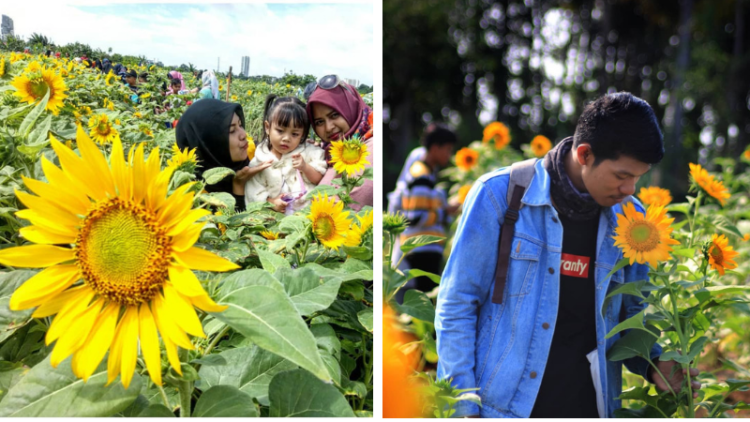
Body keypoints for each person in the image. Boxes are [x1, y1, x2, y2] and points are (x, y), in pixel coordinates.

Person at [435, 92, 701, 418]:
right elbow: (457, 306)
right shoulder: (500, 195)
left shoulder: (633, 220)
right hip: (505, 409)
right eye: (622, 175)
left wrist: (654, 363)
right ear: (585, 154)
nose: (630, 189)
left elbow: (628, 321)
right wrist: (462, 409)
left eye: (638, 177)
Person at [388, 123, 458, 300]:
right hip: (421, 250)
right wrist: (445, 212)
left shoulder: (426, 173)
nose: (449, 156)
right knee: (425, 306)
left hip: (424, 249)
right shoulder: (421, 176)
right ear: (435, 148)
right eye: (448, 150)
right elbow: (415, 217)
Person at [175, 99, 266, 212]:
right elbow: (234, 227)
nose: (243, 134)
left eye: (240, 125)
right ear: (209, 143)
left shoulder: (257, 157)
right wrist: (238, 186)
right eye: (232, 130)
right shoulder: (194, 197)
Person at [245, 95, 326, 213]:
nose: (286, 138)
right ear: (267, 127)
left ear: (303, 134)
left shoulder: (310, 153)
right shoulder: (259, 161)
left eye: (295, 134)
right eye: (280, 131)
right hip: (273, 223)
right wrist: (271, 202)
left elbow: (320, 179)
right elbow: (253, 193)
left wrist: (305, 167)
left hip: (306, 219)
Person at [306, 75, 373, 211]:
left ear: (350, 108)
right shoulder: (332, 151)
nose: (329, 127)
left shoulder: (369, 149)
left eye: (334, 115)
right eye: (319, 122)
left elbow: (349, 207)